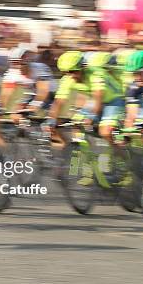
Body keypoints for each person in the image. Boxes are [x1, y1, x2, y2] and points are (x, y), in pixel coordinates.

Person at [46, 50, 127, 185]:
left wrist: (91, 116)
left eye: (73, 71)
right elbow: (58, 102)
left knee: (105, 132)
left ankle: (123, 164)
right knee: (76, 128)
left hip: (113, 99)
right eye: (66, 72)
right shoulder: (68, 79)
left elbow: (98, 98)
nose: (71, 76)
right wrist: (51, 119)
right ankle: (86, 169)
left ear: (83, 67)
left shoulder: (96, 74)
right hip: (94, 100)